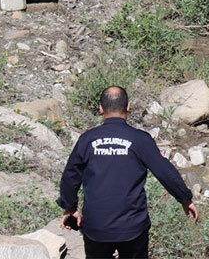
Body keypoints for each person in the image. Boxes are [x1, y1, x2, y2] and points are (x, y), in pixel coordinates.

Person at [58, 86, 200, 258]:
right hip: (132, 226)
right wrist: (185, 198)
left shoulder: (87, 140)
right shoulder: (140, 139)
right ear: (128, 107)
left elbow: (70, 176)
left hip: (96, 226)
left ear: (101, 108)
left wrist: (69, 207)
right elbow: (164, 171)